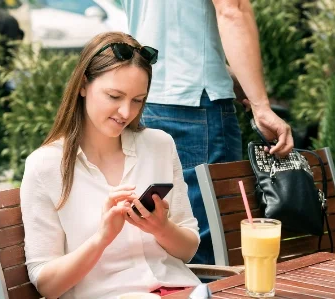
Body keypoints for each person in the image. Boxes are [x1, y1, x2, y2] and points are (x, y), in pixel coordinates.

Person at [20, 32, 201, 299]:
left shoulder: (160, 145)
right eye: (114, 96)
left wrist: (161, 228)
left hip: (181, 291)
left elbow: (188, 250)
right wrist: (102, 238)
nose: (126, 112)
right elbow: (47, 284)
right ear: (83, 85)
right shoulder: (45, 166)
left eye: (137, 100)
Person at [121, 0, 294, 265]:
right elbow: (232, 10)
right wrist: (261, 105)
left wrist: (231, 80)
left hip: (146, 99)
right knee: (209, 246)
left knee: (157, 238)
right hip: (196, 106)